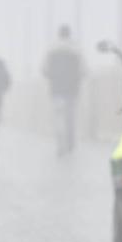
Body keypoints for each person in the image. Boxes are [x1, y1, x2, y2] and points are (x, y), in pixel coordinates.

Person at [43, 25, 83, 155]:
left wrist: (54, 76)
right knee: (70, 117)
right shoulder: (76, 49)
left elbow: (44, 70)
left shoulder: (51, 49)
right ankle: (70, 143)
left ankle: (60, 143)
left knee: (58, 116)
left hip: (56, 89)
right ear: (69, 34)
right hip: (72, 89)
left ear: (59, 34)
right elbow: (84, 70)